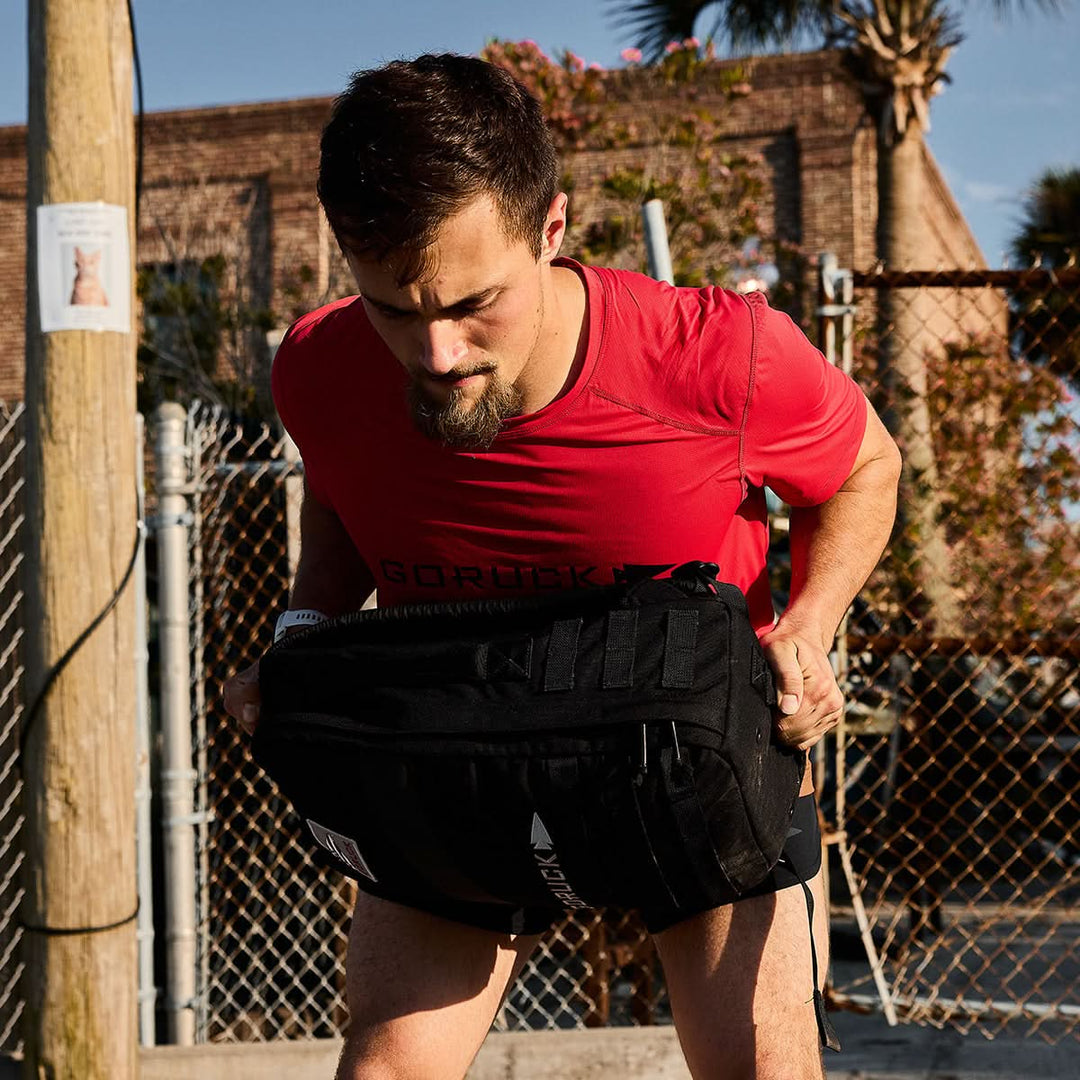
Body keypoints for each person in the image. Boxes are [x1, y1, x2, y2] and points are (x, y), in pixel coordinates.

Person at [223, 52, 901, 1080]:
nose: (438, 353)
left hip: (682, 741)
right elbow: (343, 485)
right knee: (385, 1071)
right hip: (462, 729)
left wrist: (806, 628)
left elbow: (864, 467)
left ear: (551, 228)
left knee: (759, 1070)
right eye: (397, 311)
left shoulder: (717, 356)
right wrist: (302, 632)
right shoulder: (320, 366)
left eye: (471, 303)